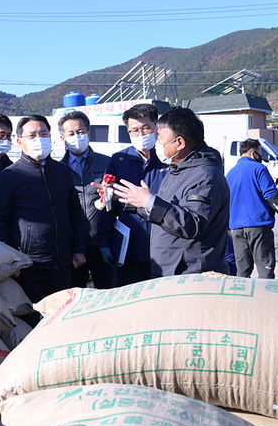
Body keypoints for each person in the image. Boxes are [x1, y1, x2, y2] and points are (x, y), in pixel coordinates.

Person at [113, 108, 229, 277]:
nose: (155, 142)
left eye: (159, 137)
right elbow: (166, 214)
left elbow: (191, 224)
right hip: (170, 269)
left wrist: (149, 201)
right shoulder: (178, 169)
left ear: (180, 143)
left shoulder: (205, 176)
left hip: (189, 273)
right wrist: (132, 201)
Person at [0, 114, 88, 303]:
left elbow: (75, 212)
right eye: (32, 135)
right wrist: (11, 259)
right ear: (19, 141)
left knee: (60, 313)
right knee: (32, 316)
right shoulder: (10, 176)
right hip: (29, 264)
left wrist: (79, 248)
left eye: (43, 134)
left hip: (63, 261)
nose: (39, 139)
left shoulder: (62, 171)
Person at [95, 104, 168, 285]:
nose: (141, 134)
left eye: (146, 128)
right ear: (128, 132)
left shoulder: (169, 159)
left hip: (165, 247)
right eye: (134, 130)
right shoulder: (119, 160)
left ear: (157, 127)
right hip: (130, 250)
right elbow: (108, 203)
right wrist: (104, 243)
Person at [226, 138, 278, 278]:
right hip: (258, 226)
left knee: (242, 271)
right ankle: (266, 299)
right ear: (254, 153)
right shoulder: (259, 169)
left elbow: (225, 201)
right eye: (260, 152)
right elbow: (271, 194)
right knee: (265, 269)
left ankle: (242, 298)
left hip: (236, 228)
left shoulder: (231, 173)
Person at [58, 110, 115, 288]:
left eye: (81, 132)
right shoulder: (57, 170)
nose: (77, 137)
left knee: (108, 294)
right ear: (63, 138)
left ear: (89, 133)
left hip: (102, 242)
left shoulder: (107, 163)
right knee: (76, 294)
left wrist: (111, 197)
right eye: (71, 133)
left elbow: (119, 200)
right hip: (72, 246)